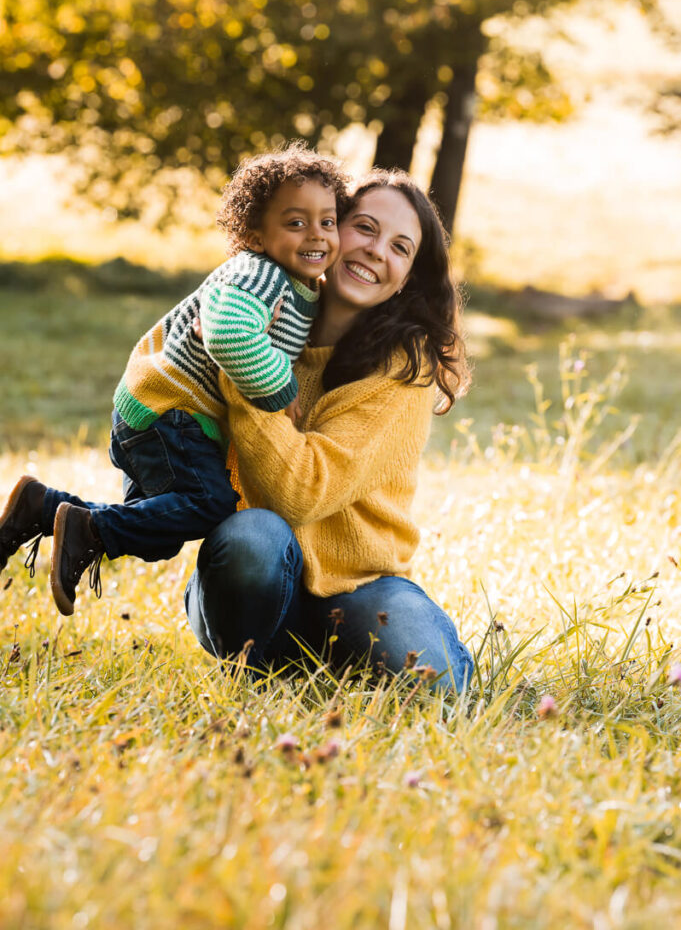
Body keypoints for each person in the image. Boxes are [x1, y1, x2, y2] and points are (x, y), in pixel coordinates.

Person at [0, 145, 347, 616]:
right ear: (255, 234)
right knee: (208, 504)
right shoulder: (260, 274)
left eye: (328, 222)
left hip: (156, 411)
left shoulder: (297, 282)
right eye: (296, 223)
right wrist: (280, 390)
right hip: (171, 411)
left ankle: (41, 508)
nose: (316, 235)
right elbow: (227, 334)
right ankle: (88, 530)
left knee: (157, 532)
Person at [184, 169, 475, 693]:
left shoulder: (403, 365)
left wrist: (245, 371)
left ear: (408, 275)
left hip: (364, 585)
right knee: (255, 537)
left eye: (400, 247)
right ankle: (259, 671)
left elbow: (303, 490)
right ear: (328, 230)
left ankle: (334, 659)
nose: (374, 251)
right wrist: (245, 351)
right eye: (364, 227)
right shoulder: (255, 315)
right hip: (257, 579)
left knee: (439, 688)